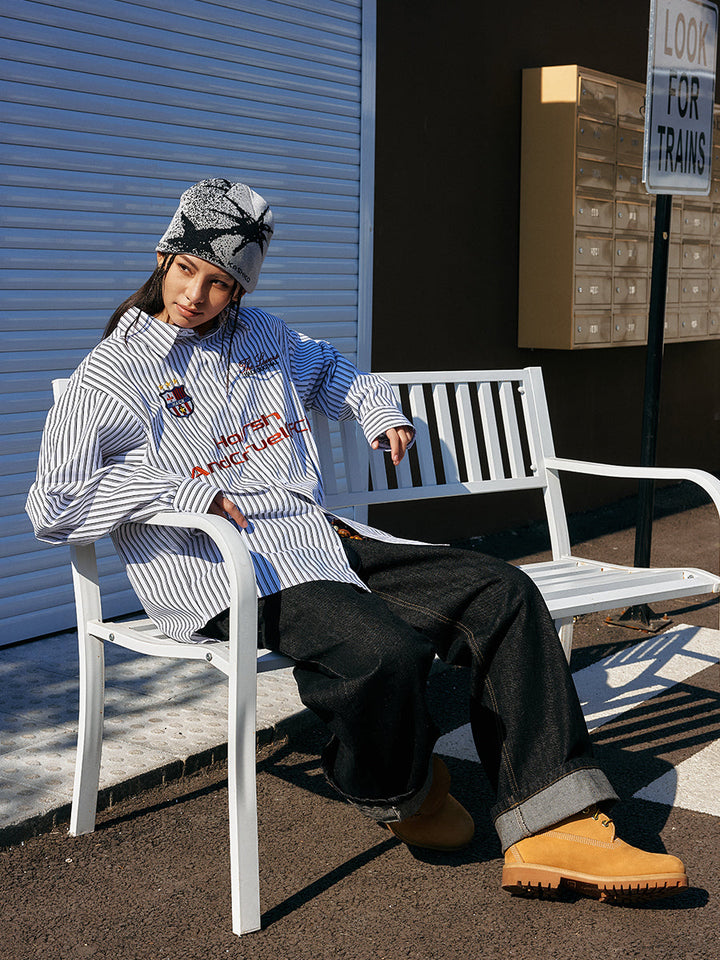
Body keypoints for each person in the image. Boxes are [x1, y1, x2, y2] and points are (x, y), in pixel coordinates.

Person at [27, 178, 687, 903]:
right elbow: (51, 503)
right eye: (186, 269)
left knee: (502, 591)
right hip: (228, 569)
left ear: (240, 289)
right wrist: (174, 490)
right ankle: (396, 787)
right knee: (385, 652)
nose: (196, 295)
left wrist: (378, 411)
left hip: (323, 540)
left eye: (219, 282)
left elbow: (334, 370)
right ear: (163, 256)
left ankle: (557, 822)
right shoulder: (111, 376)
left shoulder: (263, 338)